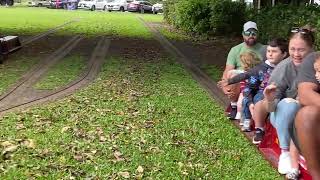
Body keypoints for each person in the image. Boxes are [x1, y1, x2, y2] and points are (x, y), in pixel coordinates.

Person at [259, 26, 315, 175]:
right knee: (290, 104)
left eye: (301, 50)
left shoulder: (317, 64)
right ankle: (285, 152)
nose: (296, 54)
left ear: (312, 49)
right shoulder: (284, 68)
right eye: (292, 49)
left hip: (311, 113)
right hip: (282, 115)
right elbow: (270, 109)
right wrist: (269, 99)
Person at [220, 38, 288, 131]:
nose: (270, 54)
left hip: (281, 95)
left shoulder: (287, 67)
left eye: (274, 51)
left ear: (284, 54)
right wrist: (229, 81)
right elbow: (246, 75)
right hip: (262, 93)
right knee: (257, 99)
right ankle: (259, 128)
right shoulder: (261, 67)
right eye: (268, 51)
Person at [219, 21, 266, 119]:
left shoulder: (265, 49)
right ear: (243, 34)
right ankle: (234, 106)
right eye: (248, 33)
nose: (251, 35)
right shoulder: (235, 50)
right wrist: (224, 85)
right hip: (241, 81)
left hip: (258, 79)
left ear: (258, 34)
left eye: (254, 33)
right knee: (232, 74)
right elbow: (228, 70)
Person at [290, 52, 320, 179]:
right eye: (316, 71)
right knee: (307, 114)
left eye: (319, 72)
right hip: (312, 128)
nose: (316, 76)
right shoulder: (314, 58)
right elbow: (305, 94)